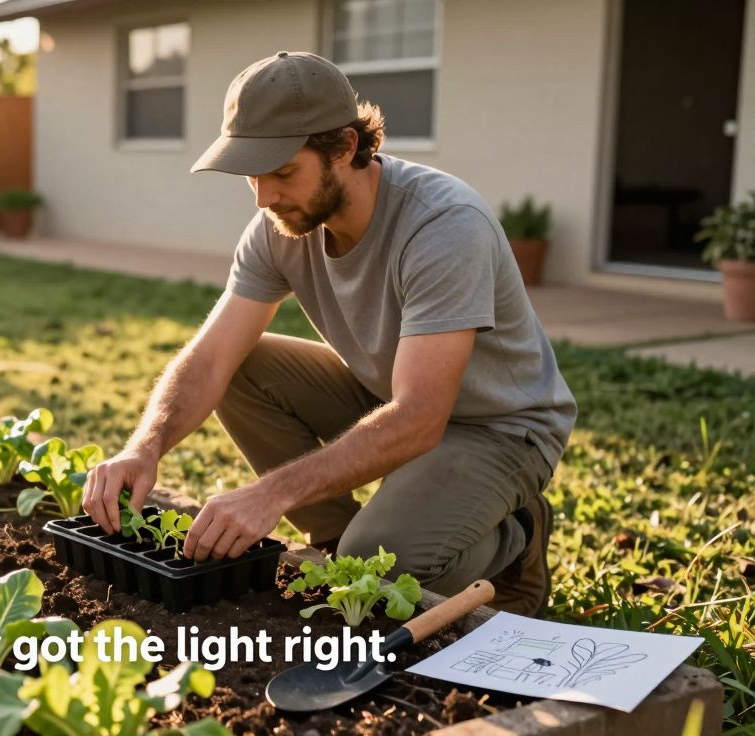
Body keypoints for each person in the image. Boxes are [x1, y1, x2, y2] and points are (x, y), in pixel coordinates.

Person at [80, 51, 577, 617]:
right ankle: (340, 547)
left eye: (283, 172)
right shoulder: (279, 226)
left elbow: (419, 418)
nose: (265, 197)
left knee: (385, 567)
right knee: (245, 367)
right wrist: (144, 447)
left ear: (343, 147)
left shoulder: (444, 225)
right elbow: (213, 356)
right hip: (393, 392)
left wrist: (271, 493)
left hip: (499, 427)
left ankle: (516, 538)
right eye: (252, 176)